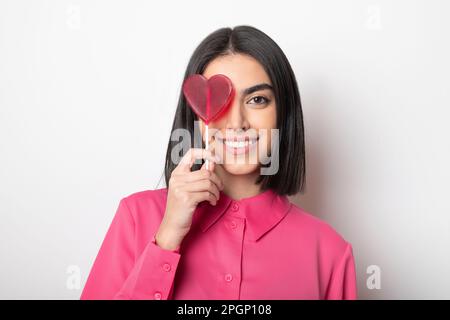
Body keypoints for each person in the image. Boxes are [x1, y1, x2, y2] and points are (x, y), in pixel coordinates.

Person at [80, 25, 357, 300]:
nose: (236, 124)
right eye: (219, 101)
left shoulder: (330, 253)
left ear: (283, 115)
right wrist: (165, 240)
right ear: (197, 119)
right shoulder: (136, 217)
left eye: (257, 99)